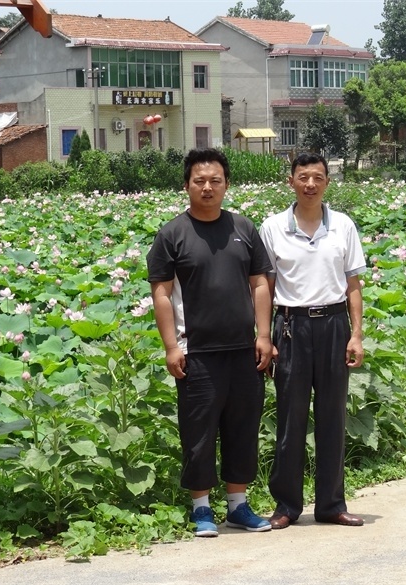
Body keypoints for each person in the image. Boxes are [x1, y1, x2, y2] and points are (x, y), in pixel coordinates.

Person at [146, 148, 274, 537]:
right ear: (186, 185)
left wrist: (264, 335)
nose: (207, 187)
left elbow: (260, 284)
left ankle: (238, 505)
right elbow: (162, 294)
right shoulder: (172, 234)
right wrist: (171, 346)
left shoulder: (243, 228)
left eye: (215, 181)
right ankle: (201, 508)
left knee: (242, 427)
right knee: (198, 431)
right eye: (199, 181)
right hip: (196, 352)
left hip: (243, 350)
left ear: (226, 185)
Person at [259, 152, 366, 529]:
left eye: (317, 178)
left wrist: (356, 334)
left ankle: (331, 504)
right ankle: (287, 506)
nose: (310, 184)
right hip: (291, 326)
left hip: (335, 324)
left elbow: (353, 284)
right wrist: (263, 337)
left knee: (333, 416)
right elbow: (265, 287)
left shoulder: (343, 226)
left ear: (327, 183)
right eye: (303, 177)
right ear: (291, 181)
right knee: (291, 418)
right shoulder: (272, 227)